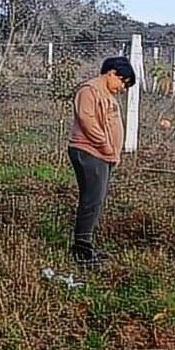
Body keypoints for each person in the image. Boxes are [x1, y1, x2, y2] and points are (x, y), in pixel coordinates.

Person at [67, 55, 136, 268]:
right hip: (90, 152)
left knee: (96, 199)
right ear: (111, 73)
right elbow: (88, 121)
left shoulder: (106, 92)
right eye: (122, 81)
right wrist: (106, 146)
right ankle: (81, 249)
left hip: (102, 154)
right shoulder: (89, 90)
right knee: (92, 199)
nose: (122, 87)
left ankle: (85, 244)